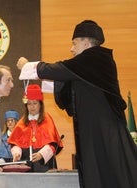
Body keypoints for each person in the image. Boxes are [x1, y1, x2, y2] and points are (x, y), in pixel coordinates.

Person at [16, 20, 137, 188]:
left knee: (112, 174)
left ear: (86, 42)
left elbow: (60, 69)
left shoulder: (97, 57)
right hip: (94, 132)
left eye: (74, 43)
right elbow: (66, 83)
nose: (71, 49)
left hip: (105, 131)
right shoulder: (87, 68)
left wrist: (28, 66)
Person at [8, 84, 63, 172]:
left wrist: (42, 154)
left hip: (44, 164)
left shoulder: (47, 119)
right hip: (26, 164)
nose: (32, 106)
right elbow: (15, 143)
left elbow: (53, 143)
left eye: (35, 103)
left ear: (40, 104)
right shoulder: (22, 122)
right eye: (29, 104)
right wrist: (17, 153)